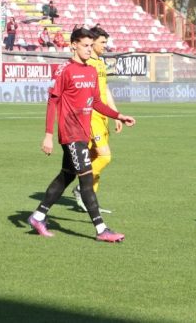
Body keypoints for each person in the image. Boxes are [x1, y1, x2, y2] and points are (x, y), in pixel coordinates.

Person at [29, 27, 136, 242]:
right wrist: (48, 134)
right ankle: (101, 230)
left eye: (90, 45)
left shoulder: (91, 71)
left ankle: (38, 216)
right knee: (86, 182)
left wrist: (119, 115)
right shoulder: (64, 70)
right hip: (70, 134)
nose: (89, 49)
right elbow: (53, 102)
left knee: (66, 176)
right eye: (85, 45)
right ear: (74, 45)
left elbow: (96, 102)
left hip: (83, 133)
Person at [71, 26, 122, 211]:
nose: (104, 46)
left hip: (103, 116)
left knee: (94, 157)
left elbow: (105, 89)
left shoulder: (100, 63)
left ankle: (90, 202)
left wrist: (115, 114)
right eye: (102, 42)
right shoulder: (86, 64)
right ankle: (80, 189)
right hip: (91, 116)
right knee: (105, 156)